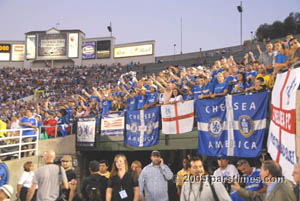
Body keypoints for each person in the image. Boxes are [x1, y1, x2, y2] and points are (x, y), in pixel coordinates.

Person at [232, 160, 296, 201]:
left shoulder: (280, 190)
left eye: (261, 170)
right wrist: (239, 189)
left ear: (267, 172)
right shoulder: (273, 187)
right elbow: (261, 197)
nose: (260, 173)